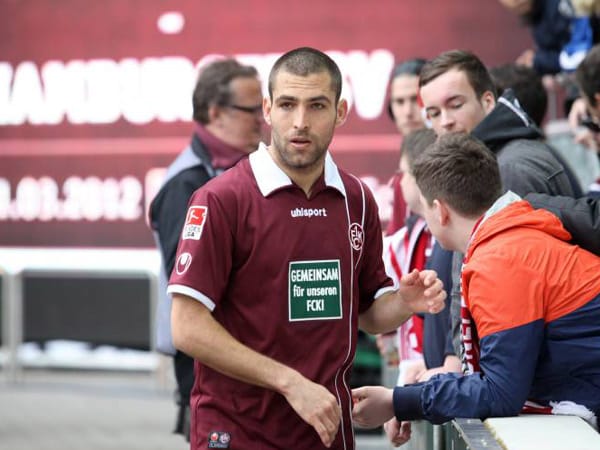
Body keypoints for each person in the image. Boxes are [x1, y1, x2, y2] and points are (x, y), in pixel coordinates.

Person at [166, 47, 446, 450]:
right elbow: (186, 326)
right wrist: (290, 383)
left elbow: (367, 314)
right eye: (286, 105)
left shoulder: (356, 198)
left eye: (316, 105)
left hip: (326, 434)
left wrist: (404, 302)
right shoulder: (221, 199)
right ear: (267, 109)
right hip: (237, 433)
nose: (300, 122)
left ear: (340, 111)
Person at [352, 132, 600, 431]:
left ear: (440, 211)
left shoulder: (501, 258)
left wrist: (398, 401)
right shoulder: (510, 237)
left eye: (423, 208)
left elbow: (500, 393)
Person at [418, 48, 578, 358]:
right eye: (434, 113)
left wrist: (467, 369)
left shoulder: (510, 169)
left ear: (488, 102)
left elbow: (517, 300)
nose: (446, 122)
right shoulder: (491, 161)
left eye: (456, 105)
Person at [148, 58, 263, 440]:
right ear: (215, 112)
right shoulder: (187, 185)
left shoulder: (245, 170)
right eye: (251, 109)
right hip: (207, 370)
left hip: (244, 369)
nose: (262, 119)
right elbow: (191, 293)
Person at [386, 58, 427, 235]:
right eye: (399, 102)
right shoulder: (406, 154)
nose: (408, 112)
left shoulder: (448, 159)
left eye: (415, 100)